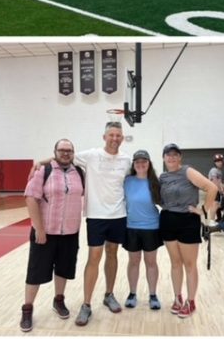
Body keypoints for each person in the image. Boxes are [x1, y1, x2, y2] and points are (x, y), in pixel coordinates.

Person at [19, 139, 84, 332]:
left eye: (69, 150)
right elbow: (30, 197)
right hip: (45, 232)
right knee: (36, 272)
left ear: (73, 153)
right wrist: (39, 229)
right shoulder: (43, 171)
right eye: (62, 150)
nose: (65, 153)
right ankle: (27, 308)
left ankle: (59, 300)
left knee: (63, 269)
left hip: (70, 232)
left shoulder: (79, 172)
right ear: (54, 151)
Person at [73, 122, 131, 326]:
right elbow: (65, 155)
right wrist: (40, 162)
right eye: (111, 135)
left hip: (118, 214)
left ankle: (109, 294)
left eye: (118, 135)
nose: (115, 138)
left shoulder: (127, 160)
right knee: (94, 256)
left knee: (112, 253)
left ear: (122, 138)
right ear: (104, 137)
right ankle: (86, 305)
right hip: (96, 215)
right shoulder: (91, 155)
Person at [160, 143, 218, 318]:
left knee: (189, 264)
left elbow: (212, 188)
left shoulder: (187, 171)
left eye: (175, 154)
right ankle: (177, 298)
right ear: (163, 158)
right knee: (175, 263)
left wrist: (203, 210)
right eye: (168, 155)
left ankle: (191, 302)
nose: (171, 157)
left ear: (180, 157)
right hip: (168, 220)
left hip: (187, 221)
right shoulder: (162, 177)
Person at [122, 150, 163, 310]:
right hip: (131, 227)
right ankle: (132, 293)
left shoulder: (155, 182)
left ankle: (153, 295)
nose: (140, 164)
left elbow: (165, 202)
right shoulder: (127, 181)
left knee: (151, 262)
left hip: (151, 227)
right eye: (137, 162)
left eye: (143, 161)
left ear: (148, 163)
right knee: (133, 262)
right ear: (133, 164)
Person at [208, 154, 224, 220]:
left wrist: (222, 191)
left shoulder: (219, 171)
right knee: (214, 205)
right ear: (215, 163)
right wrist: (220, 191)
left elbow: (219, 182)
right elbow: (215, 181)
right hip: (213, 190)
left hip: (217, 190)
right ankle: (211, 222)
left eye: (220, 161)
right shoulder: (214, 170)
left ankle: (217, 219)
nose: (220, 163)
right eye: (217, 161)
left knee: (217, 205)